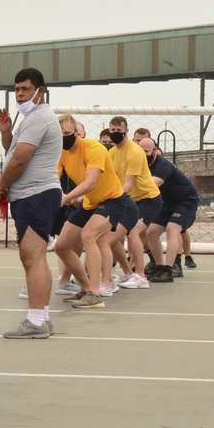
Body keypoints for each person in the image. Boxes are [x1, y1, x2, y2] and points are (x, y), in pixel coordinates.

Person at [0, 68, 61, 338]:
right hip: (32, 194)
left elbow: (20, 160)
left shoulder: (38, 117)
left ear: (39, 91)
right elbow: (13, 152)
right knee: (37, 257)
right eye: (17, 89)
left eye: (25, 89)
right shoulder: (29, 118)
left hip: (36, 194)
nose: (20, 94)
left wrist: (0, 187)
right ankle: (41, 317)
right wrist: (6, 133)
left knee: (31, 256)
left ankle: (35, 322)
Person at [54, 113, 129, 309]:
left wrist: (66, 198)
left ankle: (95, 293)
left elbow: (90, 182)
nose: (65, 138)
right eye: (60, 134)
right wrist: (52, 193)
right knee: (61, 246)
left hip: (112, 200)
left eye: (69, 133)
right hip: (90, 203)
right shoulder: (61, 151)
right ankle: (86, 288)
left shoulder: (93, 148)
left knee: (89, 236)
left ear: (78, 133)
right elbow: (55, 174)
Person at [108, 116, 160, 290]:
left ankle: (140, 275)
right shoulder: (112, 153)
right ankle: (127, 272)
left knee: (133, 232)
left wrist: (111, 198)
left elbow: (128, 185)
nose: (116, 133)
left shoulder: (135, 152)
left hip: (148, 198)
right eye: (112, 130)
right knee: (114, 234)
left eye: (119, 130)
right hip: (130, 201)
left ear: (127, 131)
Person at [140, 137, 200, 282]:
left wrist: (131, 185)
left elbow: (156, 182)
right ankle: (159, 267)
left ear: (154, 151)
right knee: (151, 232)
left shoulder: (163, 165)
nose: (143, 155)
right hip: (167, 203)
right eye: (140, 152)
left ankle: (169, 269)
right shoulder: (140, 164)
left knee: (172, 228)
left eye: (146, 151)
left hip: (186, 201)